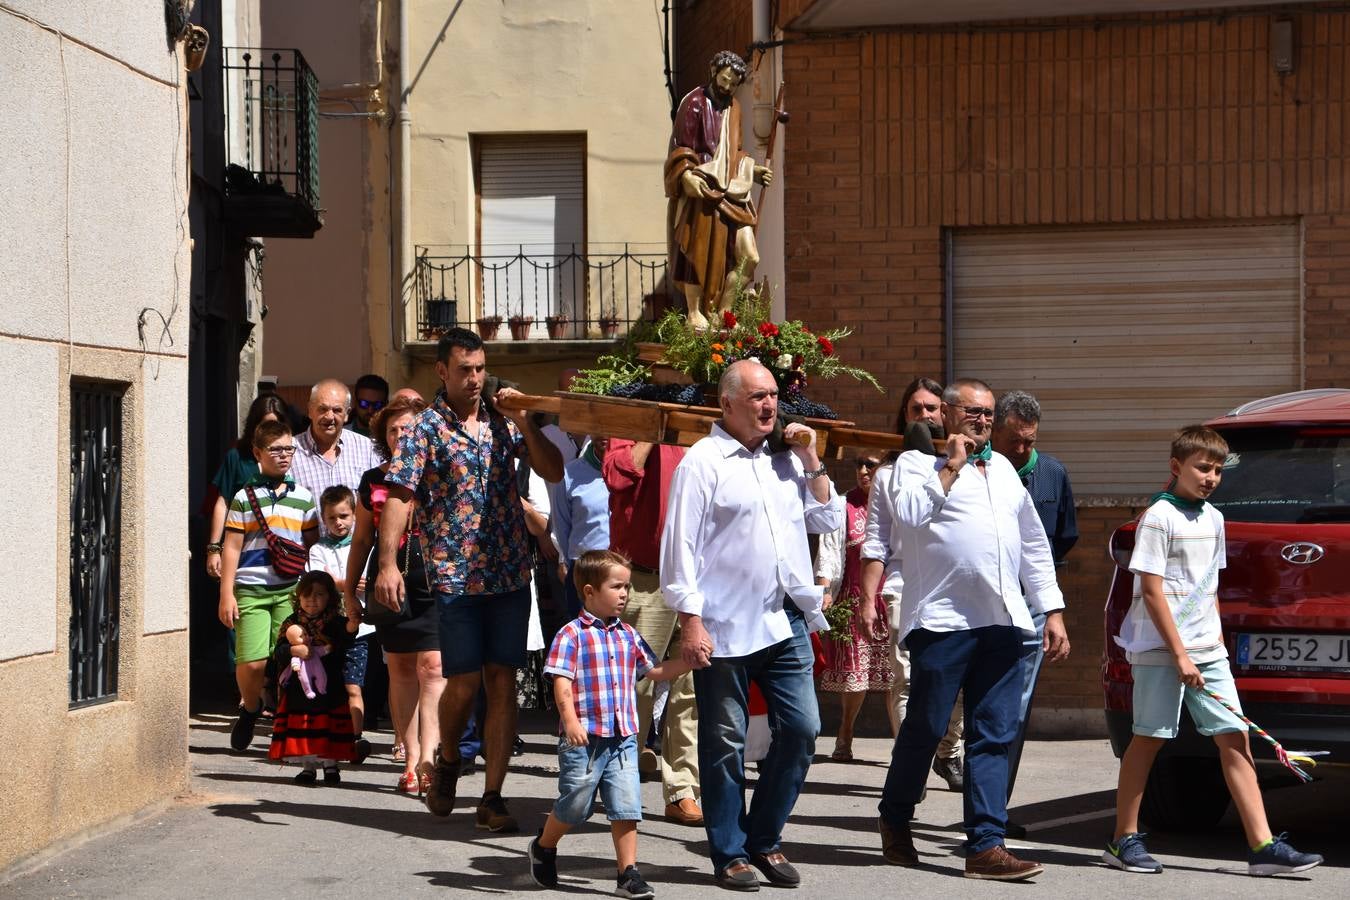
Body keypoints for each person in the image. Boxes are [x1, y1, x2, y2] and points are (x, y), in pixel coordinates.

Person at [871, 378, 1069, 881]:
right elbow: (912, 519)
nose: (981, 420)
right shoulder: (910, 468)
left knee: (994, 734)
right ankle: (895, 817)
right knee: (927, 727)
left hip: (1003, 621)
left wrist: (1052, 610)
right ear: (945, 415)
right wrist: (952, 466)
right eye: (971, 412)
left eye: (988, 413)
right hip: (942, 621)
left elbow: (1032, 545)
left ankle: (985, 844)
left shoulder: (1003, 469)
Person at [1104, 426, 1321, 877]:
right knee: (1150, 737)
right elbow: (1151, 589)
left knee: (1234, 738)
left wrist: (1215, 641)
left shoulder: (1214, 519)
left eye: (1218, 470)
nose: (1211, 477)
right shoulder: (1158, 518)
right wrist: (1180, 655)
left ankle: (1262, 846)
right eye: (1203, 468)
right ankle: (1123, 839)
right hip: (1162, 650)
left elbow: (1209, 588)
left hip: (1208, 648)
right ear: (1176, 467)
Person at [661, 359, 843, 891]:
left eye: (773, 396)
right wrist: (691, 622)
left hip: (784, 617)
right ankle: (729, 851)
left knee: (804, 730)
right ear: (727, 403)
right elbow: (681, 550)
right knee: (724, 741)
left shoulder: (785, 461)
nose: (769, 405)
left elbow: (828, 520)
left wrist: (811, 457)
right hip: (725, 624)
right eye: (758, 396)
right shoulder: (703, 462)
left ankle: (763, 837)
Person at [376, 327, 563, 832]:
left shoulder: (504, 423)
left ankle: (494, 796)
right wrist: (388, 563)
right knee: (461, 684)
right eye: (465, 370)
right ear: (442, 371)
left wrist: (525, 423)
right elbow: (399, 494)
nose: (475, 379)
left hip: (508, 573)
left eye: (480, 368)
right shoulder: (424, 429)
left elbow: (554, 470)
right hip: (455, 577)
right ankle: (451, 758)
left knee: (502, 681)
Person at [529, 550, 693, 899]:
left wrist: (688, 661)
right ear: (589, 591)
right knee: (575, 806)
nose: (625, 594)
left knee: (626, 804)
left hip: (623, 737)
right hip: (584, 738)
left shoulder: (628, 635)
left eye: (627, 587)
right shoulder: (571, 635)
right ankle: (544, 845)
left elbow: (653, 671)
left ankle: (628, 873)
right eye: (617, 586)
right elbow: (560, 680)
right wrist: (569, 719)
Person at [859, 376, 964, 791]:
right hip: (904, 584)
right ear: (904, 417)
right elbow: (875, 541)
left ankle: (948, 752)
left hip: (956, 586)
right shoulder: (888, 474)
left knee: (957, 682)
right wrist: (868, 599)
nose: (925, 415)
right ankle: (911, 765)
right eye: (916, 409)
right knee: (906, 679)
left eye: (932, 408)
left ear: (946, 413)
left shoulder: (968, 467)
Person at [345, 395, 445, 796]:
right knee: (401, 670)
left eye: (408, 427)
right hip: (389, 581)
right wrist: (352, 592)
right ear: (383, 437)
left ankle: (430, 757)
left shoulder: (438, 473)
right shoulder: (373, 480)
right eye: (393, 429)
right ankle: (409, 758)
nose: (401, 434)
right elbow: (361, 540)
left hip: (435, 580)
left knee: (434, 668)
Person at [603, 438, 702, 826]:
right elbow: (616, 475)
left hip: (695, 575)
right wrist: (654, 428)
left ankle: (682, 790)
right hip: (645, 575)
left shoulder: (704, 423)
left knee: (688, 690)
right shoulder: (635, 420)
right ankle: (622, 783)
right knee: (636, 688)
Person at [991, 390, 1078, 827]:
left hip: (1032, 604)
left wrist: (1050, 605)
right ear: (994, 431)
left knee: (1016, 708)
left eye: (1029, 441)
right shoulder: (978, 470)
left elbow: (1063, 538)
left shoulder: (1052, 473)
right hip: (984, 602)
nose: (1022, 449)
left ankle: (995, 810)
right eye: (1014, 441)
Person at [218, 418, 320, 752]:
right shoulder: (244, 498)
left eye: (288, 449)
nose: (283, 455)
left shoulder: (304, 498)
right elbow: (231, 546)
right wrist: (226, 594)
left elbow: (311, 544)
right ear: (258, 452)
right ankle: (249, 708)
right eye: (275, 449)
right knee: (252, 662)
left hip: (290, 591)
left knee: (288, 659)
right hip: (250, 589)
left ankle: (284, 725)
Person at [665, 50, 773, 330]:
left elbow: (734, 152)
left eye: (733, 83)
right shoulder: (694, 103)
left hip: (733, 190)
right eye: (724, 79)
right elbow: (680, 146)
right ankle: (694, 312)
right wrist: (686, 175)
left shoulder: (735, 107)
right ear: (713, 72)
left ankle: (723, 314)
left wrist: (753, 170)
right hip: (702, 186)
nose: (726, 87)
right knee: (697, 246)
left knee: (749, 256)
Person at [814, 449, 894, 762]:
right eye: (859, 464)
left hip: (892, 600)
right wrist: (824, 591)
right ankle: (845, 733)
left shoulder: (894, 504)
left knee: (896, 677)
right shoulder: (843, 505)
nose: (863, 470)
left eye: (870, 464)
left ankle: (903, 744)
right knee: (856, 676)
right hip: (854, 599)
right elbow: (830, 552)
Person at [268, 571, 358, 783]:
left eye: (319, 594)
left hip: (330, 687)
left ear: (330, 598)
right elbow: (278, 652)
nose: (312, 600)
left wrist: (353, 625)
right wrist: (293, 651)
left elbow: (346, 638)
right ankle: (308, 767)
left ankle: (330, 766)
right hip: (299, 691)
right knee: (305, 727)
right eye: (307, 595)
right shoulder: (291, 623)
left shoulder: (335, 622)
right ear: (298, 597)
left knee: (328, 726)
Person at [307, 484, 372, 762]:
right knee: (327, 685)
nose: (339, 522)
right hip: (329, 630)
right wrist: (347, 583)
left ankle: (355, 739)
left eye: (344, 516)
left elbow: (367, 578)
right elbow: (320, 581)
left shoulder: (365, 544)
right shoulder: (318, 548)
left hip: (361, 629)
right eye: (332, 517)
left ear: (355, 514)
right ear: (323, 518)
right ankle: (325, 737)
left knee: (353, 686)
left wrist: (342, 583)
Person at [204, 393, 290, 580]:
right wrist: (214, 548)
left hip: (283, 550)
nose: (270, 432)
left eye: (275, 425)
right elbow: (223, 502)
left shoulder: (289, 456)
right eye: (265, 425)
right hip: (242, 548)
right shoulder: (237, 457)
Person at [289, 378, 382, 524]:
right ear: (309, 410)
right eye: (322, 409)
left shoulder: (367, 449)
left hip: (357, 546)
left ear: (347, 414)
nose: (329, 416)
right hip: (306, 546)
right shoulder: (290, 451)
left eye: (337, 410)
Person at [552, 436, 611, 617]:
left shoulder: (638, 471)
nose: (604, 433)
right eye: (596, 425)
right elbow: (562, 527)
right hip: (585, 572)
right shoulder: (569, 475)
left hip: (627, 572)